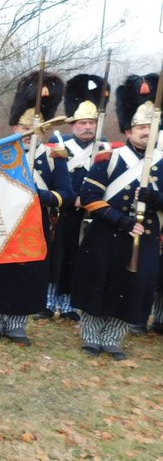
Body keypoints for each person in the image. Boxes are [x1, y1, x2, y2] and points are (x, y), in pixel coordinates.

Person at [0, 71, 72, 347]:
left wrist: (39, 196)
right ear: (14, 128)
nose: (28, 134)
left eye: (33, 129)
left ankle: (17, 324)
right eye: (23, 129)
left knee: (27, 276)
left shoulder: (54, 156)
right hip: (0, 223)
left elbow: (66, 196)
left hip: (35, 225)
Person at [71, 73, 163, 359]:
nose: (146, 132)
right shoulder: (108, 157)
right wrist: (120, 220)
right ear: (127, 130)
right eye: (140, 127)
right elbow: (88, 198)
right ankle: (91, 335)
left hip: (142, 239)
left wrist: (156, 198)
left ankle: (113, 338)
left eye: (152, 126)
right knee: (98, 283)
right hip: (106, 234)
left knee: (130, 288)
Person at [39, 74, 113, 322]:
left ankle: (70, 304)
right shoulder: (57, 143)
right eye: (82, 122)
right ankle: (47, 301)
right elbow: (51, 177)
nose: (87, 127)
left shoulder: (104, 148)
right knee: (55, 256)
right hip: (61, 211)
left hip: (89, 213)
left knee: (78, 260)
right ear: (73, 124)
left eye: (91, 122)